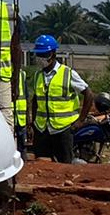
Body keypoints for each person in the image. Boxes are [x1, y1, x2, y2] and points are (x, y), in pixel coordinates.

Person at [25, 35, 91, 164]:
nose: (41, 58)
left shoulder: (68, 73)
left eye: (44, 54)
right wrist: (32, 123)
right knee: (42, 163)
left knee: (64, 164)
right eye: (39, 54)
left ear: (53, 53)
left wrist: (81, 120)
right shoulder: (38, 75)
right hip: (42, 129)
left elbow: (89, 94)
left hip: (63, 129)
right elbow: (35, 100)